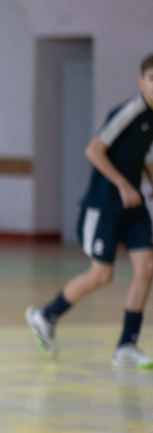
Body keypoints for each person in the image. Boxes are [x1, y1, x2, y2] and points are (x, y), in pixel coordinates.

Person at [27, 54, 153, 368]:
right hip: (104, 204)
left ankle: (126, 345)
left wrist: (148, 178)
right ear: (141, 83)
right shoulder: (129, 111)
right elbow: (94, 151)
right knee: (102, 275)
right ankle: (46, 315)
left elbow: (134, 156)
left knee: (147, 268)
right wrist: (123, 185)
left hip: (133, 205)